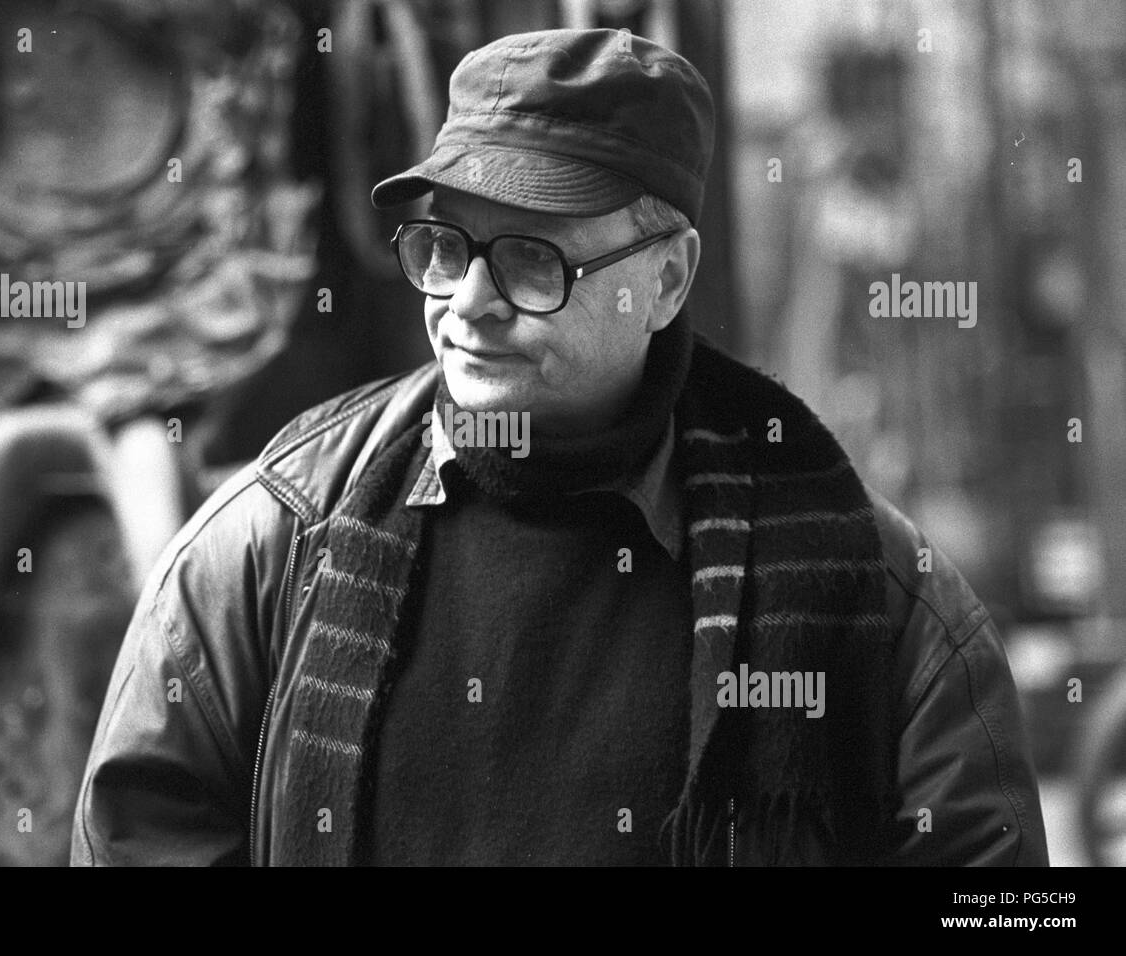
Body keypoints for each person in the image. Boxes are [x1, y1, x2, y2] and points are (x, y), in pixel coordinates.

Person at [71, 28, 1047, 866]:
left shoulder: (876, 595)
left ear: (666, 280)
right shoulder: (276, 539)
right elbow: (139, 831)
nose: (469, 302)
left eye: (532, 257)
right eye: (445, 247)